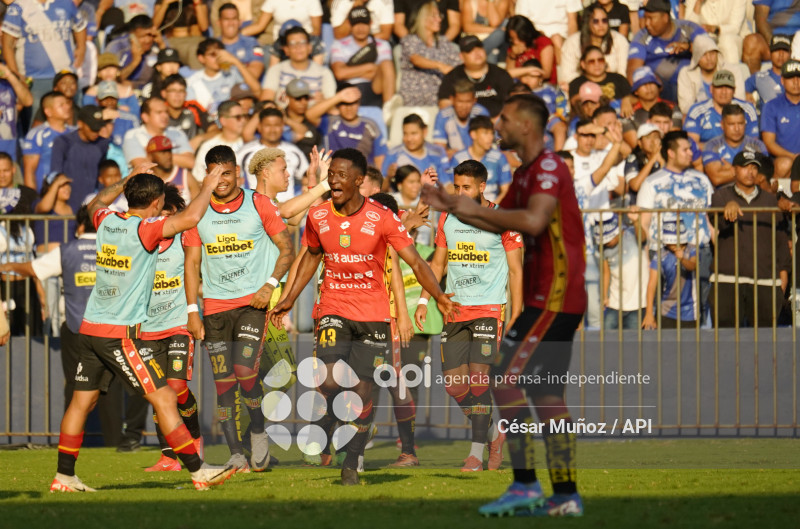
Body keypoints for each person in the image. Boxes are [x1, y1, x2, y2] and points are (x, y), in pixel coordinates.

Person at [421, 93, 586, 516]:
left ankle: (526, 481)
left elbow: (530, 221)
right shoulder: (526, 172)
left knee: (506, 382)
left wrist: (457, 205)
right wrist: (451, 206)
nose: (498, 126)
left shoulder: (547, 168)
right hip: (544, 298)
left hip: (553, 297)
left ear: (526, 126)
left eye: (506, 119)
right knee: (539, 394)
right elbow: (495, 219)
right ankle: (558, 492)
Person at [269, 147, 458, 486]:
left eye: (341, 175)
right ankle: (334, 430)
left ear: (359, 181)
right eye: (331, 175)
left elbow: (415, 262)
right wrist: (288, 299)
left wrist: (439, 297)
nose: (333, 180)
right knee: (329, 380)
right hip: (334, 308)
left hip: (373, 314)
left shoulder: (382, 217)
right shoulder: (319, 216)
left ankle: (352, 461)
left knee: (361, 392)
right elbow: (311, 257)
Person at [50, 162, 237, 493]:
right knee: (164, 398)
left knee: (81, 403)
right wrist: (207, 185)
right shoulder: (146, 229)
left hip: (90, 329)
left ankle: (64, 477)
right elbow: (192, 217)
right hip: (118, 335)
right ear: (156, 202)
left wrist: (127, 179)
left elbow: (94, 204)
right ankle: (198, 472)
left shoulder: (107, 221)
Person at [184, 145, 294, 472]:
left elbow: (286, 249)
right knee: (223, 382)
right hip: (214, 308)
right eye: (214, 174)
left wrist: (269, 286)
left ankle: (258, 431)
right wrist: (192, 310)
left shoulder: (258, 203)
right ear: (207, 174)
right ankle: (235, 454)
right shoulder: (196, 211)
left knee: (245, 372)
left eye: (227, 173)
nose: (221, 180)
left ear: (237, 173)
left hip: (252, 304)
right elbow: (191, 263)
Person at [416, 159, 522, 471]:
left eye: (466, 187)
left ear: (481, 187)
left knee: (479, 383)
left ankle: (476, 454)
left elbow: (516, 271)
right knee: (454, 386)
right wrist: (423, 301)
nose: (460, 193)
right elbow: (437, 264)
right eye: (456, 187)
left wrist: (518, 314)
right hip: (455, 309)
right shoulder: (447, 217)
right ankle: (494, 435)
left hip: (489, 309)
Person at [0, 206, 127, 446]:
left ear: (79, 226)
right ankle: (114, 442)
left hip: (77, 328)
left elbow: (34, 269)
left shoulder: (67, 250)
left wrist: (6, 267)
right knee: (110, 386)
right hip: (110, 329)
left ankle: (71, 442)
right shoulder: (115, 250)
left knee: (76, 385)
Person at [140, 184, 204, 472]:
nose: (163, 219)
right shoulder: (142, 240)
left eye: (169, 213)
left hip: (178, 323)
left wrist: (194, 313)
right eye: (159, 213)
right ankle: (168, 457)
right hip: (147, 328)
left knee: (177, 387)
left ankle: (195, 438)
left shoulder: (185, 237)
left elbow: (195, 270)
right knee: (159, 393)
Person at [709, 151, 791, 327]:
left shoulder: (771, 201)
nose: (750, 172)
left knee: (764, 338)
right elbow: (718, 223)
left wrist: (782, 278)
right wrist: (728, 207)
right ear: (734, 170)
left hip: (765, 281)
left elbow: (781, 241)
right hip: (727, 280)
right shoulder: (720, 196)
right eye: (745, 167)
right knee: (725, 337)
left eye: (754, 167)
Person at [1, 0, 86, 125]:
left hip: (65, 76)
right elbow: (7, 43)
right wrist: (15, 75)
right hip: (33, 79)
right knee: (35, 123)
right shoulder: (18, 7)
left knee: (73, 122)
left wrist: (82, 47)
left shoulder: (66, 3)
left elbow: (80, 26)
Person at [626, 0, 706, 103]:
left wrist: (689, 47)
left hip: (692, 84)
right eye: (645, 18)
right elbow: (633, 71)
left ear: (665, 17)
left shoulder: (689, 29)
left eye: (651, 18)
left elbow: (710, 53)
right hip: (661, 90)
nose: (646, 23)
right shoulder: (642, 37)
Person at [398, 1, 461, 107]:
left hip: (443, 94)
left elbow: (457, 65)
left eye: (439, 16)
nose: (439, 19)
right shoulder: (410, 40)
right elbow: (416, 59)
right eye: (434, 16)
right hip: (417, 94)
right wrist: (439, 65)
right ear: (423, 18)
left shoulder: (443, 42)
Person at [50, 105, 112, 211]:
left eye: (98, 128)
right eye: (92, 128)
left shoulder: (103, 144)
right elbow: (56, 175)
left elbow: (102, 177)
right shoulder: (63, 142)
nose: (96, 132)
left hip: (92, 207)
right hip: (68, 207)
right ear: (80, 123)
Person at [330, 7, 395, 107]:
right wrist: (371, 67)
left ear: (371, 23)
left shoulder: (382, 44)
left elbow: (384, 73)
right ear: (350, 25)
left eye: (364, 24)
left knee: (387, 64)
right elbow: (340, 73)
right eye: (356, 24)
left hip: (375, 87)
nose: (360, 29)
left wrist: (351, 71)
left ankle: (389, 108)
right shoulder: (339, 45)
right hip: (349, 88)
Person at [309, 86, 388, 169]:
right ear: (338, 105)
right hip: (334, 172)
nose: (349, 108)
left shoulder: (370, 125)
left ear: (359, 103)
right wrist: (339, 97)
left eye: (353, 103)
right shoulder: (330, 122)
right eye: (344, 103)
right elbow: (310, 115)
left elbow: (380, 158)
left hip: (363, 174)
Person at [641, 220, 700, 329]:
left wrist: (682, 259)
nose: (671, 245)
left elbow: (692, 266)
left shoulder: (692, 249)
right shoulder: (660, 254)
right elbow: (651, 284)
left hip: (690, 312)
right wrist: (649, 313)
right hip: (666, 311)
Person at [260, 26, 337, 107]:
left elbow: (332, 104)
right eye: (292, 44)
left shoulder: (323, 73)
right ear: (286, 50)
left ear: (309, 47)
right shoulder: (277, 70)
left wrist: (324, 101)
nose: (298, 47)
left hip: (315, 113)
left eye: (302, 42)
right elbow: (266, 100)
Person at [438, 35, 513, 118]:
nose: (477, 53)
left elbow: (513, 104)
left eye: (479, 48)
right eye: (470, 50)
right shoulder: (452, 77)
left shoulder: (501, 75)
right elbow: (445, 106)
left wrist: (496, 121)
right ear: (462, 56)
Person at [596, 212, 648, 330]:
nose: (606, 242)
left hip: (637, 304)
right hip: (614, 303)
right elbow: (606, 273)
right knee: (607, 337)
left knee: (632, 339)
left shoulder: (632, 234)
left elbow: (642, 238)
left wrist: (636, 221)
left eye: (608, 239)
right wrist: (604, 295)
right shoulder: (603, 248)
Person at [239, 108, 309, 195]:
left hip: (289, 203)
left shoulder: (294, 151)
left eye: (277, 125)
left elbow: (307, 178)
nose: (272, 130)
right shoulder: (245, 152)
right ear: (259, 127)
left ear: (283, 126)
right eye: (268, 125)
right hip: (255, 202)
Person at [676, 33, 749, 115]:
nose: (709, 58)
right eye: (704, 54)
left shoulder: (733, 71)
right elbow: (685, 107)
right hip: (699, 117)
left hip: (729, 115)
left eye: (712, 53)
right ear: (696, 57)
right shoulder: (686, 73)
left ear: (717, 53)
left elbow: (739, 101)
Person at [187, 38, 261, 118]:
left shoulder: (232, 73)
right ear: (201, 58)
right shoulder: (193, 81)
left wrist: (236, 62)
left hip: (234, 119)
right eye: (212, 55)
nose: (217, 58)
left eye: (220, 54)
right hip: (208, 121)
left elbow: (257, 91)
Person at [683, 70, 759, 148]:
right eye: (719, 87)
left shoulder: (747, 109)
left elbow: (753, 144)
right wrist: (720, 151)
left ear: (734, 90)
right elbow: (692, 146)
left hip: (741, 154)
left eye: (728, 87)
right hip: (706, 154)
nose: (724, 92)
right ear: (711, 89)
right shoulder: (697, 111)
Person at [445, 115, 512, 202]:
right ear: (473, 134)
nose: (490, 137)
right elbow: (450, 188)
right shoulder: (458, 158)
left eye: (492, 133)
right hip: (466, 206)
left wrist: (493, 207)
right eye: (485, 133)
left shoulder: (499, 158)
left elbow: (506, 191)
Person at [560, 4, 630, 85]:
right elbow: (567, 76)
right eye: (596, 21)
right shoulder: (572, 43)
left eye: (604, 20)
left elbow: (622, 74)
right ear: (587, 23)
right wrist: (592, 79)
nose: (601, 25)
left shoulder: (619, 40)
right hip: (582, 87)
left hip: (612, 86)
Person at [702, 104, 768, 188]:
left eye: (740, 123)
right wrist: (748, 171)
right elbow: (716, 179)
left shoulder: (757, 145)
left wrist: (731, 169)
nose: (737, 129)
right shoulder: (712, 146)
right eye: (731, 124)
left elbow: (762, 176)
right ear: (722, 125)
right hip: (724, 194)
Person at [123, 97, 194, 170]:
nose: (165, 116)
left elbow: (190, 162)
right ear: (145, 117)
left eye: (166, 112)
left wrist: (153, 154)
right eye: (159, 112)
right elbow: (142, 166)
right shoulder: (133, 135)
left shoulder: (177, 133)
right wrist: (179, 159)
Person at [21, 92, 74, 191]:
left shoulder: (75, 133)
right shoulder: (37, 135)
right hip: (45, 193)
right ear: (48, 112)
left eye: (67, 103)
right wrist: (31, 197)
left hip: (72, 191)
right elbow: (29, 170)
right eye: (61, 105)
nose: (67, 107)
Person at [761, 59, 800, 182]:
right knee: (784, 164)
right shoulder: (771, 106)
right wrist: (794, 157)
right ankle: (776, 193)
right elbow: (769, 143)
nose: (796, 82)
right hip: (785, 159)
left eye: (799, 77)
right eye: (791, 78)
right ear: (782, 81)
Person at [382, 114, 449, 182]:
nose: (409, 138)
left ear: (424, 132)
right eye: (405, 133)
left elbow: (447, 183)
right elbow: (381, 185)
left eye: (413, 133)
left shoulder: (438, 152)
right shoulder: (392, 154)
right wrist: (389, 177)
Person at [192, 100, 246, 182]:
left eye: (244, 116)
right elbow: (198, 180)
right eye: (238, 117)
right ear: (223, 121)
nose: (243, 120)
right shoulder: (208, 147)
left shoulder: (251, 143)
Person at [434, 80, 490, 157]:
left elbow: (487, 143)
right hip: (454, 159)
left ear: (474, 100)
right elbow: (439, 150)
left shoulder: (481, 113)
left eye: (468, 102)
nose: (464, 107)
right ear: (452, 99)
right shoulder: (443, 116)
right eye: (460, 101)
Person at [105, 15, 157, 89]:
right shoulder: (116, 47)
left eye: (150, 35)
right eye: (142, 36)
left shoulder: (155, 45)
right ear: (132, 35)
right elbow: (110, 81)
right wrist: (135, 61)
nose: (148, 40)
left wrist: (162, 45)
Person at [218, 3, 264, 81]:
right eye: (226, 19)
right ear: (219, 23)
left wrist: (234, 61)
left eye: (234, 19)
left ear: (240, 22)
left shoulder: (254, 44)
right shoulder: (214, 46)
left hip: (245, 88)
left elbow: (255, 74)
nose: (231, 23)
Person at [504, 15, 556, 86]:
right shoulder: (513, 48)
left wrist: (526, 72)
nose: (515, 42)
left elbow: (546, 73)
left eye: (519, 38)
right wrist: (513, 56)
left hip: (543, 86)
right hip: (520, 87)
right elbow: (507, 76)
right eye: (512, 38)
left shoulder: (542, 42)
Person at [147, 136, 199, 203]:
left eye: (169, 151)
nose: (168, 156)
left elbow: (199, 204)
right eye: (163, 152)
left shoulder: (185, 176)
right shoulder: (145, 180)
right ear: (150, 156)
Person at [745, 35, 790, 110]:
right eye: (777, 50)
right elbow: (740, 91)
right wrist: (746, 95)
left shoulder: (796, 78)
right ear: (770, 53)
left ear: (790, 54)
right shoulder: (759, 77)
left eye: (784, 50)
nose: (781, 54)